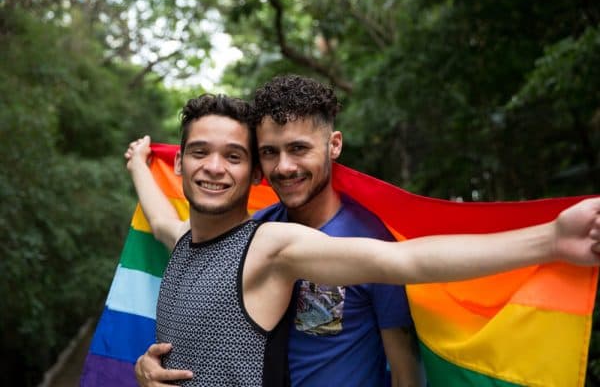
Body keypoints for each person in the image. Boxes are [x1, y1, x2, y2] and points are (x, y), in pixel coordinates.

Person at [127, 93, 600, 387]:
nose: (213, 167)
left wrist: (552, 239)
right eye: (198, 153)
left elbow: (406, 262)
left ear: (251, 175)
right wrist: (138, 165)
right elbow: (166, 222)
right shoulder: (199, 243)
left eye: (233, 155)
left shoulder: (270, 243)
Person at [137, 75, 423, 387]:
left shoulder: (369, 238)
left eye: (298, 148)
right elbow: (170, 229)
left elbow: (405, 372)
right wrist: (138, 164)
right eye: (270, 152)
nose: (284, 167)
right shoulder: (257, 232)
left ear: (334, 145)